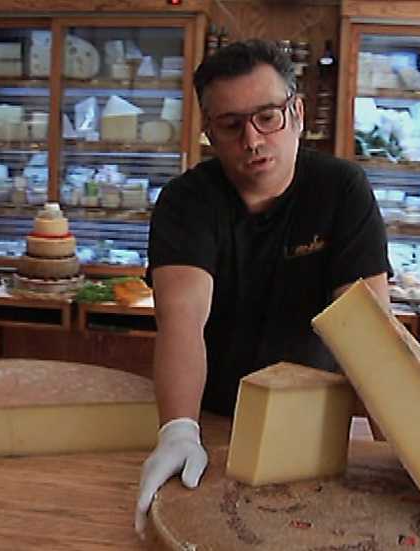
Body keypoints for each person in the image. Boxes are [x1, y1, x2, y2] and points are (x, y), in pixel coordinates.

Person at [133, 39, 391, 536]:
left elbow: (370, 333)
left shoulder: (341, 189)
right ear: (209, 131)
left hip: (312, 429)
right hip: (211, 419)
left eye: (267, 117)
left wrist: (403, 449)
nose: (252, 140)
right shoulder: (187, 201)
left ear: (296, 114)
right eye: (231, 125)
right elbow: (182, 318)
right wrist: (179, 431)